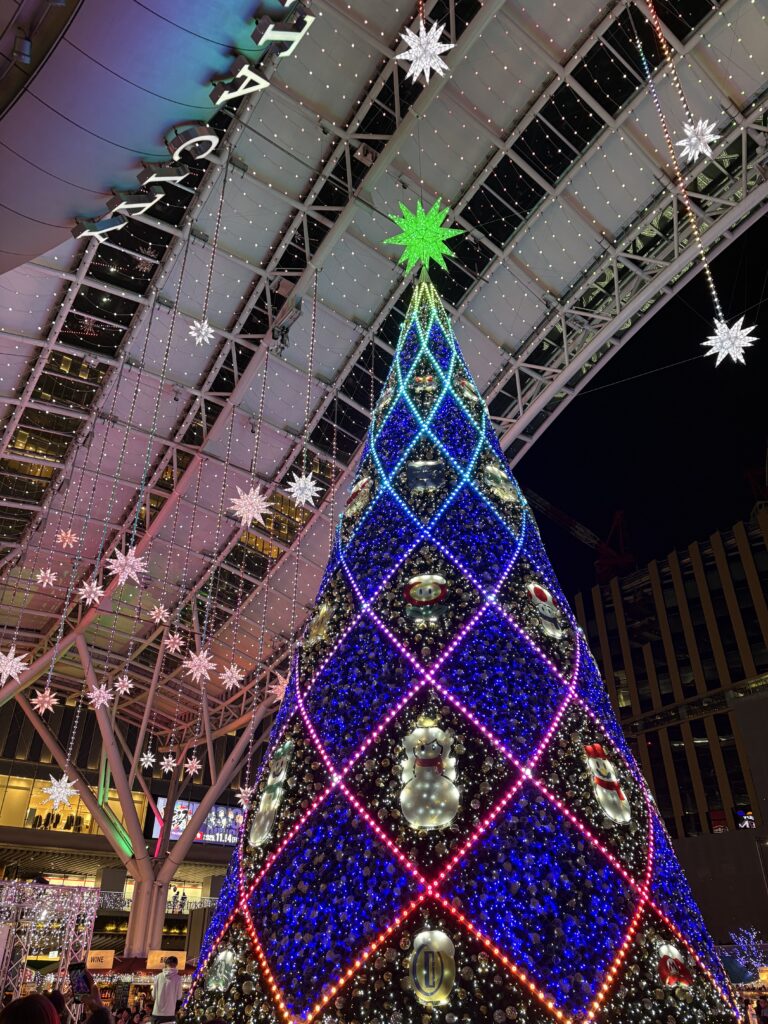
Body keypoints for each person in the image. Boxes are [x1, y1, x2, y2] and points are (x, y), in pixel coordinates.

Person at [151, 955, 182, 1024]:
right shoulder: (178, 978)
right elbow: (179, 996)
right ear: (176, 964)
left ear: (166, 964)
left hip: (156, 1012)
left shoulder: (158, 977)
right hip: (169, 1012)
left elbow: (153, 995)